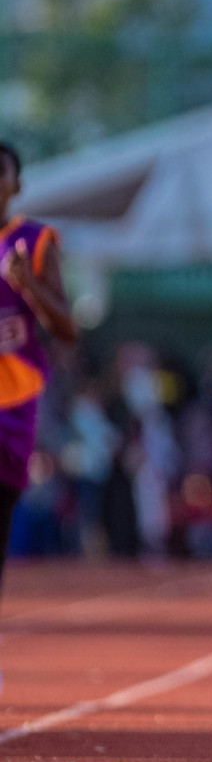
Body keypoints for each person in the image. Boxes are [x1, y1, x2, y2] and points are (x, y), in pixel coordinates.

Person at [0, 141, 78, 621]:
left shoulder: (34, 240)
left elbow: (67, 328)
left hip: (13, 401)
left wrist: (27, 285)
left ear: (16, 184)